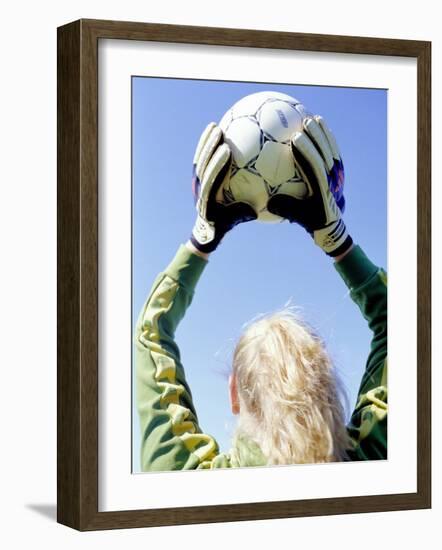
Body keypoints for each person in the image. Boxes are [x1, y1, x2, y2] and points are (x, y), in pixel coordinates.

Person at [135, 114, 387, 471]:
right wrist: (336, 240)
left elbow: (150, 335)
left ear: (234, 393)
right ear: (328, 386)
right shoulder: (376, 461)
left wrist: (201, 239)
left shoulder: (183, 480)